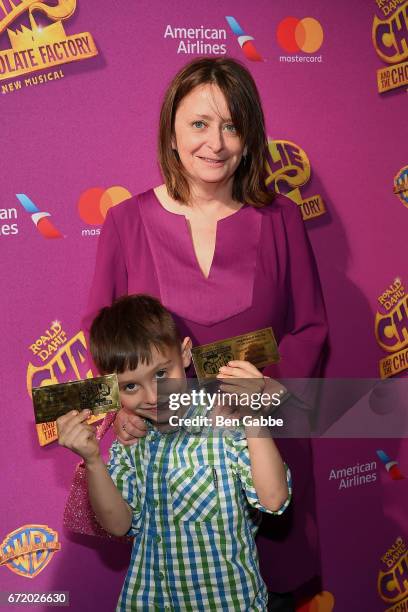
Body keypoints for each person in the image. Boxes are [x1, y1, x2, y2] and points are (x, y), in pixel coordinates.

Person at [82, 57, 328, 610]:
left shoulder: (281, 219)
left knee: (267, 591)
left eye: (232, 125)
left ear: (249, 136)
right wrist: (116, 405)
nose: (215, 142)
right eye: (199, 123)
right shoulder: (126, 221)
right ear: (171, 129)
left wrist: (274, 394)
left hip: (262, 450)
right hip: (165, 462)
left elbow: (311, 327)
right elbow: (100, 336)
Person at [59, 294, 292, 611]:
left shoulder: (223, 417)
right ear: (112, 388)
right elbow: (118, 525)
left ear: (184, 354)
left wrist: (252, 415)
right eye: (130, 386)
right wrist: (93, 460)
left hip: (230, 602)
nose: (153, 396)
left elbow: (274, 499)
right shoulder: (131, 441)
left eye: (160, 374)